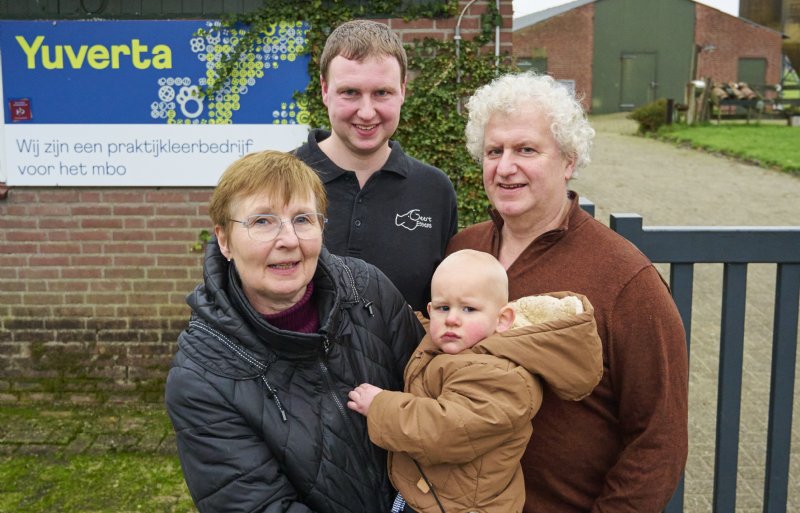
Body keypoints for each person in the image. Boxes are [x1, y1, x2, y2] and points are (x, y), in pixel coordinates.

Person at [447, 72, 689, 513]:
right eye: (494, 151)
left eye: (526, 150)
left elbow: (658, 440)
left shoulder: (626, 279)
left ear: (568, 161)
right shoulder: (463, 251)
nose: (505, 167)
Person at [164, 150, 425, 513]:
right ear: (224, 241)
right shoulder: (202, 378)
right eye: (262, 221)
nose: (288, 239)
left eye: (302, 219)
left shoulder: (369, 291)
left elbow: (434, 395)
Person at [346, 249, 603, 513]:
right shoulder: (458, 345)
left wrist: (380, 406)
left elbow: (447, 430)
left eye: (469, 309)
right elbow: (425, 336)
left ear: (502, 320)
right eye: (443, 308)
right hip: (434, 497)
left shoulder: (501, 377)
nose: (452, 319)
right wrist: (398, 315)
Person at [293, 19, 458, 312]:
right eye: (350, 92)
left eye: (382, 93)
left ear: (402, 90)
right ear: (325, 90)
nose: (367, 112)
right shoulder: (276, 181)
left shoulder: (435, 191)